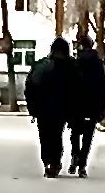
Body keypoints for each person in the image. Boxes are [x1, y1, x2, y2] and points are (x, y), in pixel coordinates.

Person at [25, 36, 72, 177]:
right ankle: (55, 163)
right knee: (56, 135)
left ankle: (47, 162)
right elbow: (76, 90)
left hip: (42, 110)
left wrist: (32, 109)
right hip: (60, 110)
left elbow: (30, 88)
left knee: (44, 136)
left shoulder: (40, 66)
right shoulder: (70, 67)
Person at [65, 30, 105, 176]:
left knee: (75, 134)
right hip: (92, 106)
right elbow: (104, 88)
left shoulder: (75, 63)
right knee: (87, 137)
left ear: (80, 47)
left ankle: (75, 156)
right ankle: (82, 166)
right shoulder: (98, 65)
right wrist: (103, 108)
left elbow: (69, 86)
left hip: (76, 106)